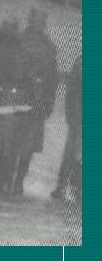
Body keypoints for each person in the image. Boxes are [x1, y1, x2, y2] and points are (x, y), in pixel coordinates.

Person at [13, 9, 58, 195]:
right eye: (36, 22)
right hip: (21, 96)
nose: (38, 26)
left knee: (28, 144)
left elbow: (53, 79)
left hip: (35, 100)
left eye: (41, 23)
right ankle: (8, 178)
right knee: (14, 139)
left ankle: (18, 179)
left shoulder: (49, 48)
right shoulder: (19, 41)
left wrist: (49, 103)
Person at [0, 20, 24, 194]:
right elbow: (25, 78)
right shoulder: (21, 55)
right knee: (8, 143)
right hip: (12, 100)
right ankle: (3, 180)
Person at [52, 54, 81, 201]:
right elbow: (73, 93)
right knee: (74, 154)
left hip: (78, 117)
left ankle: (67, 187)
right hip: (80, 118)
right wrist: (73, 117)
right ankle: (68, 188)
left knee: (74, 153)